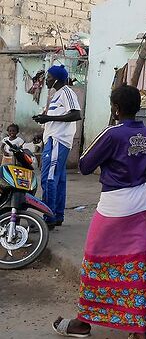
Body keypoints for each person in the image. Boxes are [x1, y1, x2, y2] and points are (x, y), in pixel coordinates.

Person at [52, 85, 146, 339]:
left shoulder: (112, 133)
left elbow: (85, 165)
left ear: (116, 108)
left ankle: (84, 321)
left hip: (114, 205)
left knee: (96, 262)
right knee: (136, 265)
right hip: (142, 204)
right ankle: (139, 330)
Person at [33, 65, 82, 229]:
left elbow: (76, 114)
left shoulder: (67, 92)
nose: (46, 80)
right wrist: (45, 121)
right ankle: (57, 215)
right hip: (54, 139)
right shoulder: (56, 95)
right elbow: (58, 118)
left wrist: (47, 118)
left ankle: (49, 217)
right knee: (58, 180)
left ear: (56, 79)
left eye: (48, 77)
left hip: (58, 141)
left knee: (48, 178)